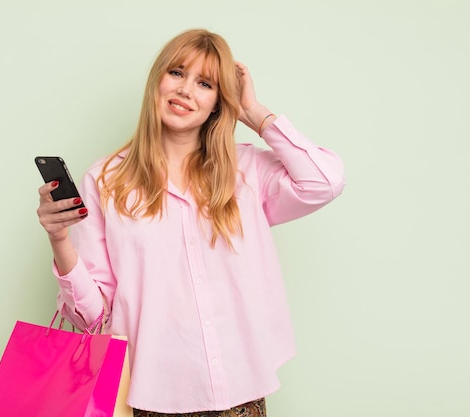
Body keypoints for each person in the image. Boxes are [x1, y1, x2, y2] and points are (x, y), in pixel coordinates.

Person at [37, 28, 345, 416]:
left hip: (239, 392)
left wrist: (252, 111)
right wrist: (59, 238)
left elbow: (325, 182)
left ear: (219, 101)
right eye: (177, 73)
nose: (185, 90)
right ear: (157, 81)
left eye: (205, 83)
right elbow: (92, 317)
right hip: (148, 397)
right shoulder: (104, 181)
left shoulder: (246, 170)